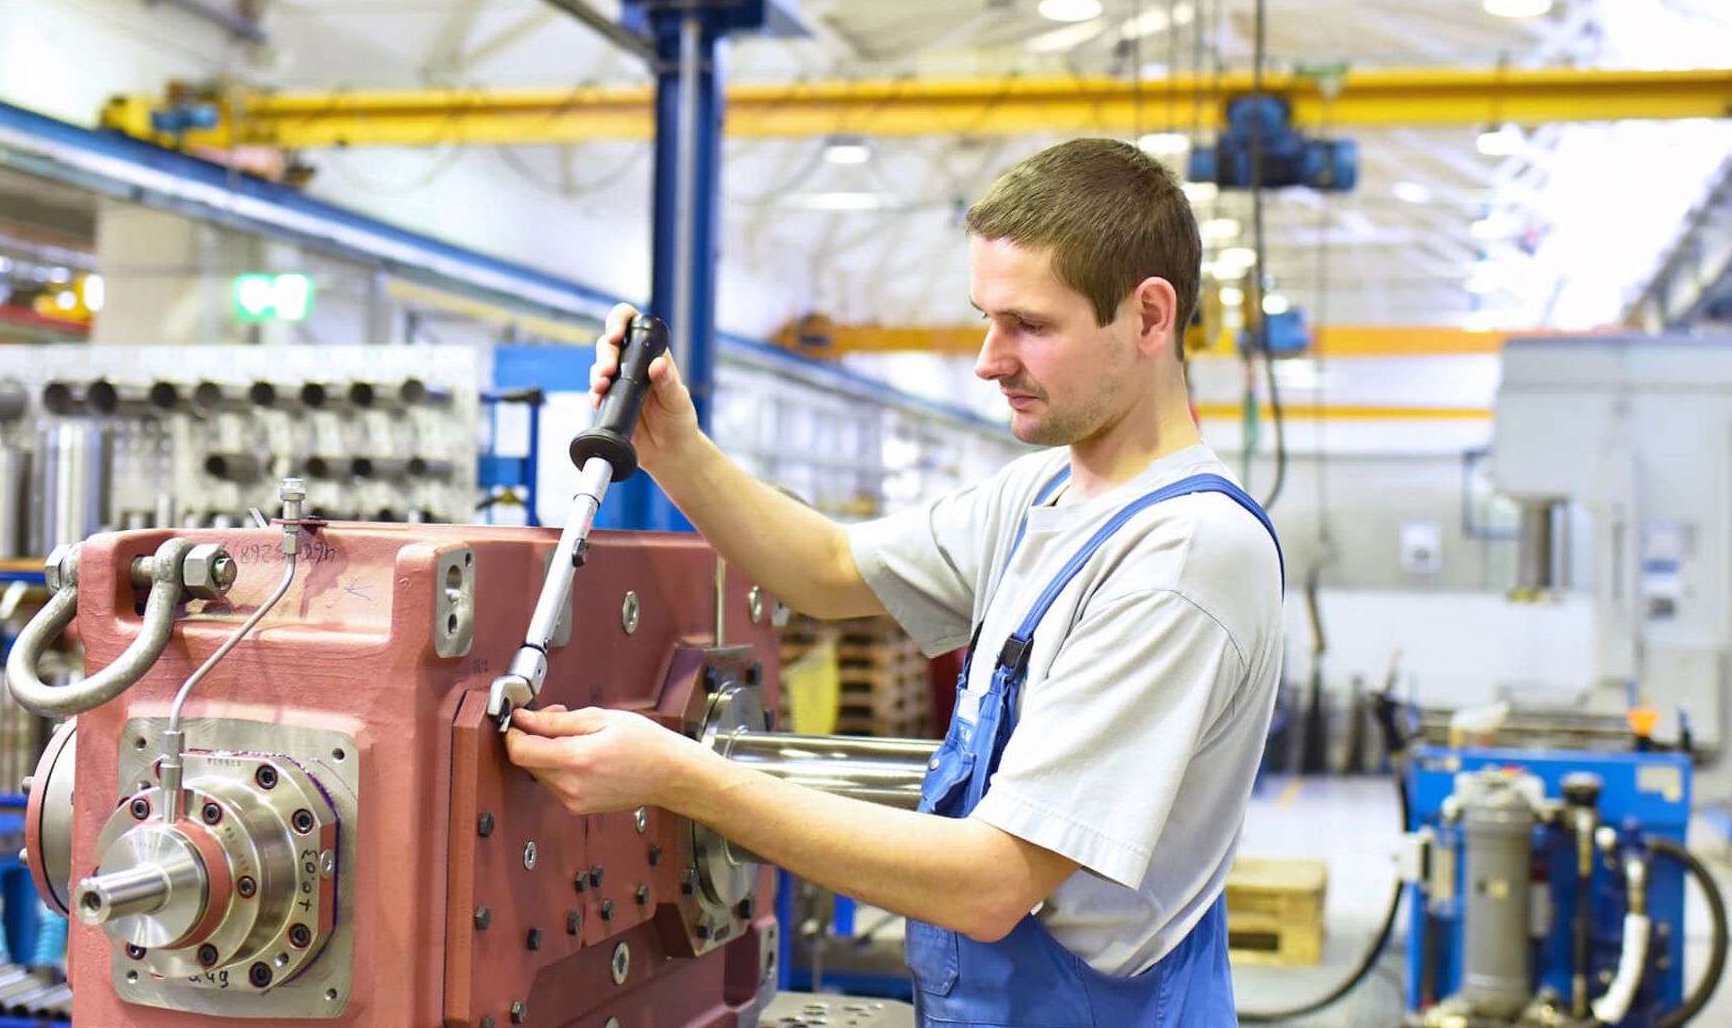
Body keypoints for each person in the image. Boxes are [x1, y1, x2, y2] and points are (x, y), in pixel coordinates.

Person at [505, 138, 1285, 1026]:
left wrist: (681, 778)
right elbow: (831, 570)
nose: (989, 360)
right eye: (985, 318)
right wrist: (674, 448)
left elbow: (992, 883)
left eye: (1028, 325)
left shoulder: (1180, 557)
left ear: (1150, 317)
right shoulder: (1046, 492)